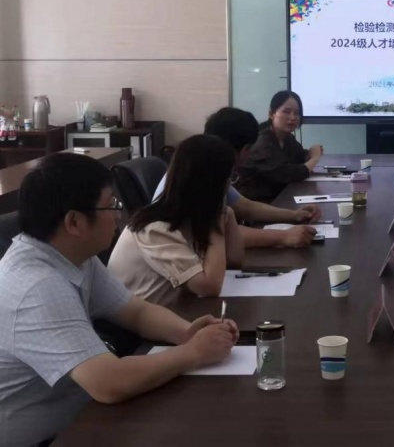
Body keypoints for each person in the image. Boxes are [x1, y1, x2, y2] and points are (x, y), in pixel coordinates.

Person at [0, 153, 237, 447]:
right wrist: (194, 352)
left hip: (83, 412)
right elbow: (108, 383)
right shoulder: (37, 287)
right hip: (46, 437)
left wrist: (188, 333)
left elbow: (136, 311)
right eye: (110, 204)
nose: (119, 215)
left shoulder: (72, 254)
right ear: (74, 221)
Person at [109, 135, 245, 308]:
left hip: (175, 311)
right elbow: (210, 287)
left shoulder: (188, 215)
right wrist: (215, 223)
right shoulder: (154, 229)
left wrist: (228, 214)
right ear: (212, 184)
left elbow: (235, 259)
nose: (228, 186)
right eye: (228, 178)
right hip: (140, 322)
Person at [154, 107, 320, 247]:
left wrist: (293, 215)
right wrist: (284, 236)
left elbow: (244, 206)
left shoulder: (207, 164)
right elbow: (221, 235)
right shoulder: (201, 174)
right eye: (249, 149)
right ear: (242, 149)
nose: (249, 155)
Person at [236, 91, 325, 203]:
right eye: (286, 111)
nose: (292, 117)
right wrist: (315, 158)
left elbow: (300, 158)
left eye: (297, 113)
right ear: (271, 113)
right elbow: (288, 174)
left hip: (278, 198)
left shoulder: (287, 137)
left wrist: (312, 153)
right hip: (258, 204)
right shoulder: (262, 140)